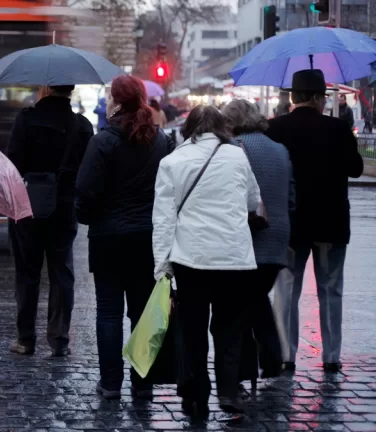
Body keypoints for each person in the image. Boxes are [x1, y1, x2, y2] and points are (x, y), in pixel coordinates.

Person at [152, 105, 260, 417]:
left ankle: (195, 394)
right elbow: (252, 199)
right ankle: (228, 392)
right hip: (234, 259)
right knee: (229, 330)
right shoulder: (237, 155)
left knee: (191, 329)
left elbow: (163, 220)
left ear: (187, 129)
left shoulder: (171, 162)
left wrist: (162, 267)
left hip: (191, 259)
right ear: (221, 128)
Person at [76, 75, 174, 399]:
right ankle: (142, 382)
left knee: (108, 312)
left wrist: (88, 216)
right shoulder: (159, 140)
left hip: (107, 239)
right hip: (147, 238)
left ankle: (110, 383)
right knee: (142, 313)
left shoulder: (102, 142)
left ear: (116, 103)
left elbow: (86, 191)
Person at [265, 69, 364, 373]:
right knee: (330, 290)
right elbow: (357, 169)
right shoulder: (337, 128)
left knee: (286, 290)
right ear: (320, 98)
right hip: (332, 223)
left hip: (291, 223)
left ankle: (286, 353)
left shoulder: (275, 128)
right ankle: (331, 355)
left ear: (293, 97)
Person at [6, 85, 94, 357]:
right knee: (61, 272)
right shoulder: (81, 125)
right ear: (70, 90)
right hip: (65, 207)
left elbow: (12, 166)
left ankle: (25, 339)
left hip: (28, 204)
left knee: (27, 273)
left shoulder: (26, 120)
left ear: (46, 88)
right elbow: (87, 170)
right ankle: (59, 340)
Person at [222, 99, 295, 381]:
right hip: (278, 237)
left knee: (242, 303)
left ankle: (258, 361)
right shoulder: (280, 149)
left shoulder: (234, 148)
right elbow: (291, 197)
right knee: (255, 297)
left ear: (231, 123)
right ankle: (267, 357)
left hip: (249, 237)